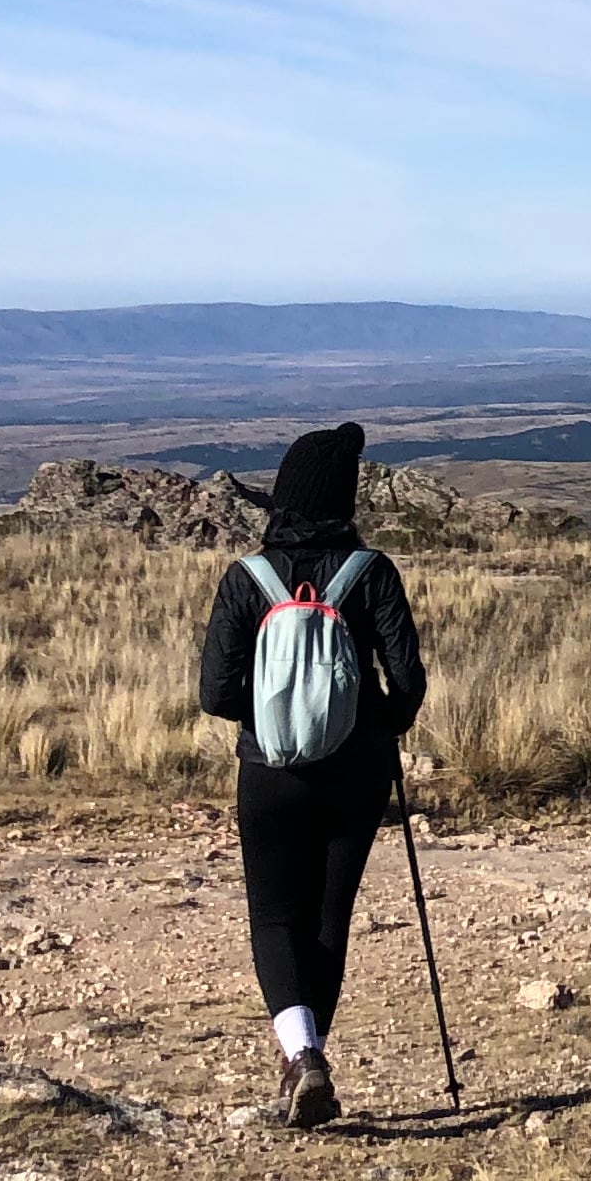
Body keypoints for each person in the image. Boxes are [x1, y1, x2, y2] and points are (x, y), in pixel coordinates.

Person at [196, 422, 426, 1128]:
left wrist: (267, 722)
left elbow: (214, 692)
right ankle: (309, 1058)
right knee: (330, 917)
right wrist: (373, 721)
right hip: (355, 771)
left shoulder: (248, 579)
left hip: (268, 772)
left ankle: (303, 1057)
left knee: (273, 913)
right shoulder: (373, 572)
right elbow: (409, 683)